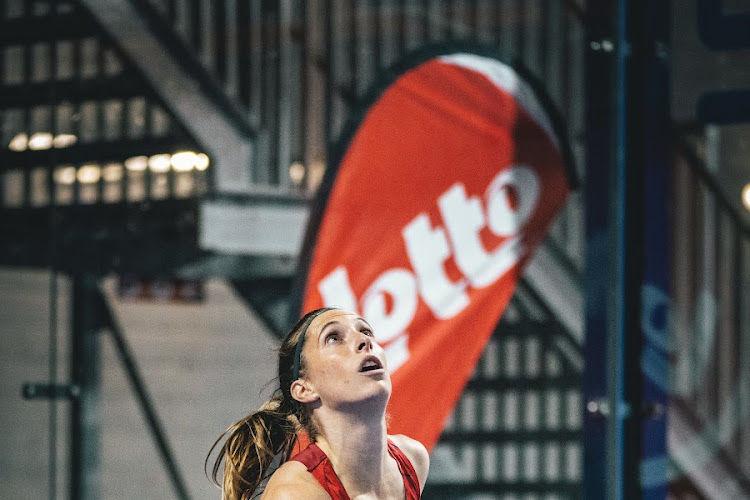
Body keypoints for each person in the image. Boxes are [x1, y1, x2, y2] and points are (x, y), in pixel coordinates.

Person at [207, 307, 430, 499]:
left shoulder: (413, 458)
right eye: (333, 337)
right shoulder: (294, 493)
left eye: (365, 331)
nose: (365, 341)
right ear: (304, 389)